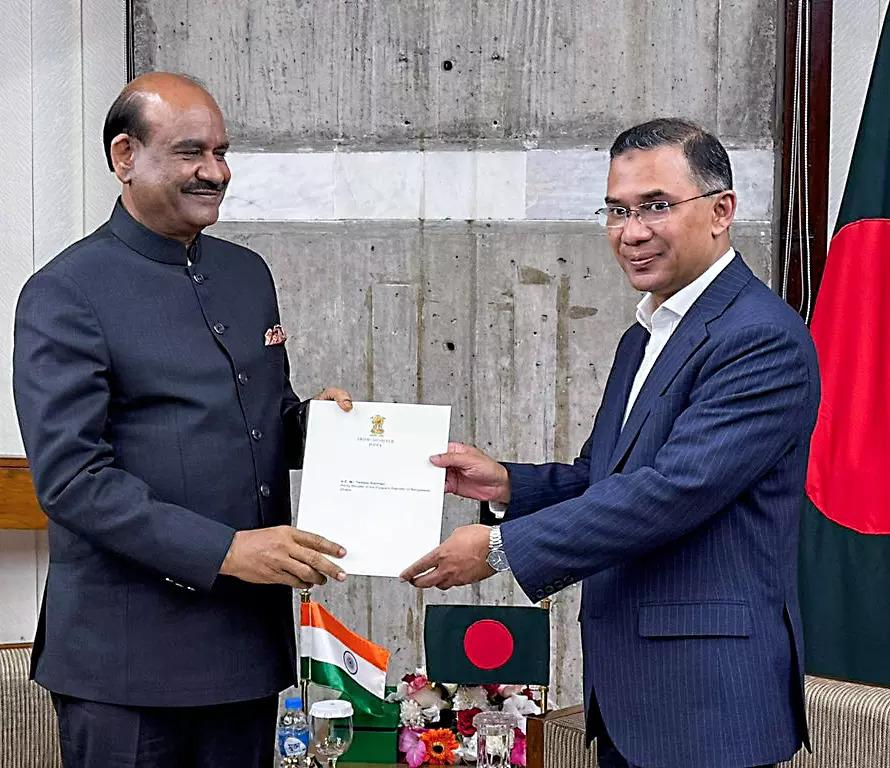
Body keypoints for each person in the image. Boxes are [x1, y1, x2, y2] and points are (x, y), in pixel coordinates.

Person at [402, 118, 819, 768]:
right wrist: (507, 485)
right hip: (633, 699)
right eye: (618, 210)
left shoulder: (760, 337)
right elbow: (605, 478)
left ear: (721, 211)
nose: (632, 232)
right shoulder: (645, 335)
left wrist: (500, 549)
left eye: (656, 206)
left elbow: (673, 492)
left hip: (709, 706)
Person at [13, 72, 353, 768]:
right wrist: (228, 551)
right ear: (124, 156)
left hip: (246, 650)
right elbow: (74, 480)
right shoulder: (65, 292)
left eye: (221, 152)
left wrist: (321, 428)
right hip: (125, 667)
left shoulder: (246, 274)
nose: (215, 171)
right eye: (191, 151)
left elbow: (261, 421)